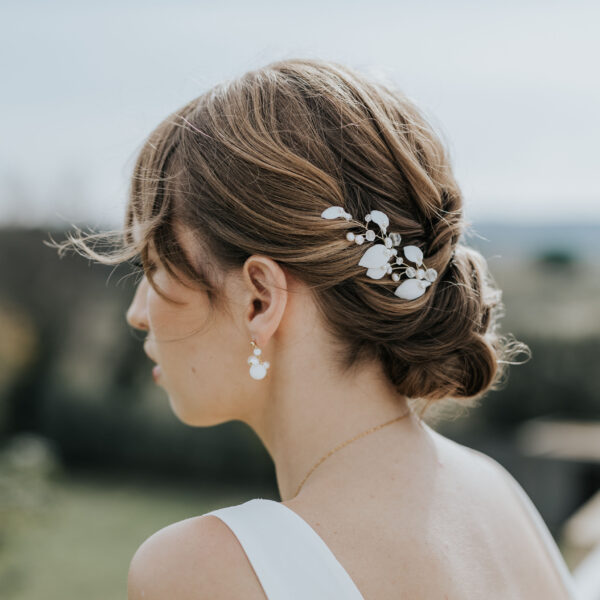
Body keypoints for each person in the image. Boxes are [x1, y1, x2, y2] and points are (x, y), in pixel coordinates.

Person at [54, 58, 578, 599]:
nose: (137, 313)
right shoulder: (498, 495)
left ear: (259, 299)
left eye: (155, 267)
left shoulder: (206, 570)